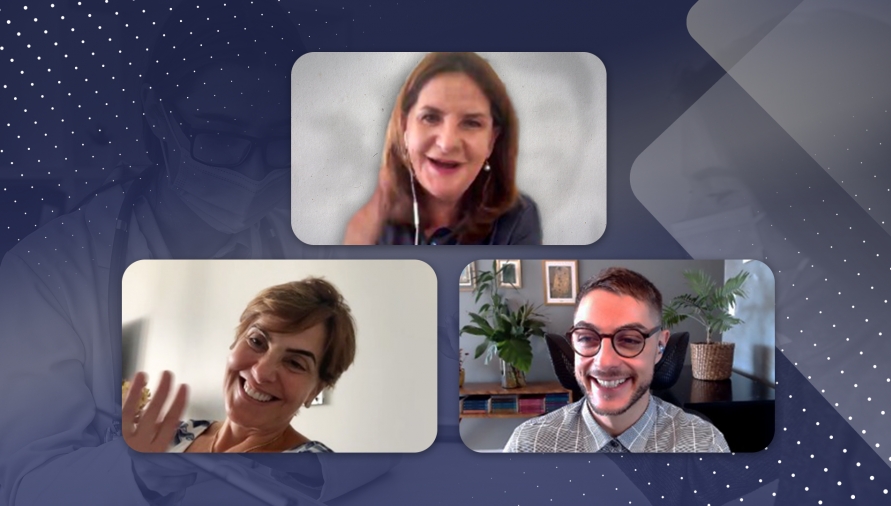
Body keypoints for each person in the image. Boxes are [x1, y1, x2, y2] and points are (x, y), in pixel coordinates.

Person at [0, 1, 393, 504]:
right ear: (158, 117)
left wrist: (302, 463)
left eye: (278, 140)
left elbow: (390, 416)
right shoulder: (46, 274)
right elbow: (28, 484)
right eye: (221, 136)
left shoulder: (322, 242)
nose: (253, 171)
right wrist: (139, 472)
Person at [504, 267, 730, 453]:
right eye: (586, 338)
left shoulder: (704, 445)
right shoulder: (529, 445)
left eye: (630, 340)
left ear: (660, 346)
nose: (604, 362)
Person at [123, 279, 356, 454]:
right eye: (256, 341)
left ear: (315, 390)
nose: (261, 372)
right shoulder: (171, 436)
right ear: (236, 342)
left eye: (295, 363)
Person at [343, 52, 542, 245]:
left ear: (492, 140)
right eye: (430, 117)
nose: (447, 144)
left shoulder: (517, 219)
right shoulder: (371, 220)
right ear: (404, 128)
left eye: (471, 123)